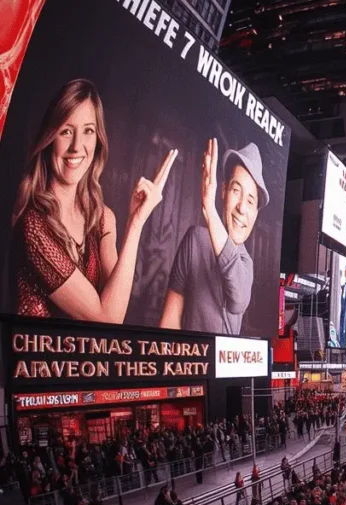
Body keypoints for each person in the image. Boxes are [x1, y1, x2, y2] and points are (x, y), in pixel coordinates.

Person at [12, 78, 176, 322]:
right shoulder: (34, 225)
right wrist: (137, 224)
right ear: (49, 139)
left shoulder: (102, 218)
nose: (77, 146)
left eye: (88, 131)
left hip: (86, 361)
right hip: (35, 359)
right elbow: (105, 318)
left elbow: (116, 311)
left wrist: (135, 220)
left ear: (98, 140)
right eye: (66, 131)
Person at [160, 137, 269, 334]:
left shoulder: (245, 263)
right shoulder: (195, 240)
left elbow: (237, 299)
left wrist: (209, 208)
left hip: (225, 364)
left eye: (251, 201)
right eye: (236, 191)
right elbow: (170, 318)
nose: (242, 208)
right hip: (189, 362)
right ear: (224, 191)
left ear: (255, 214)